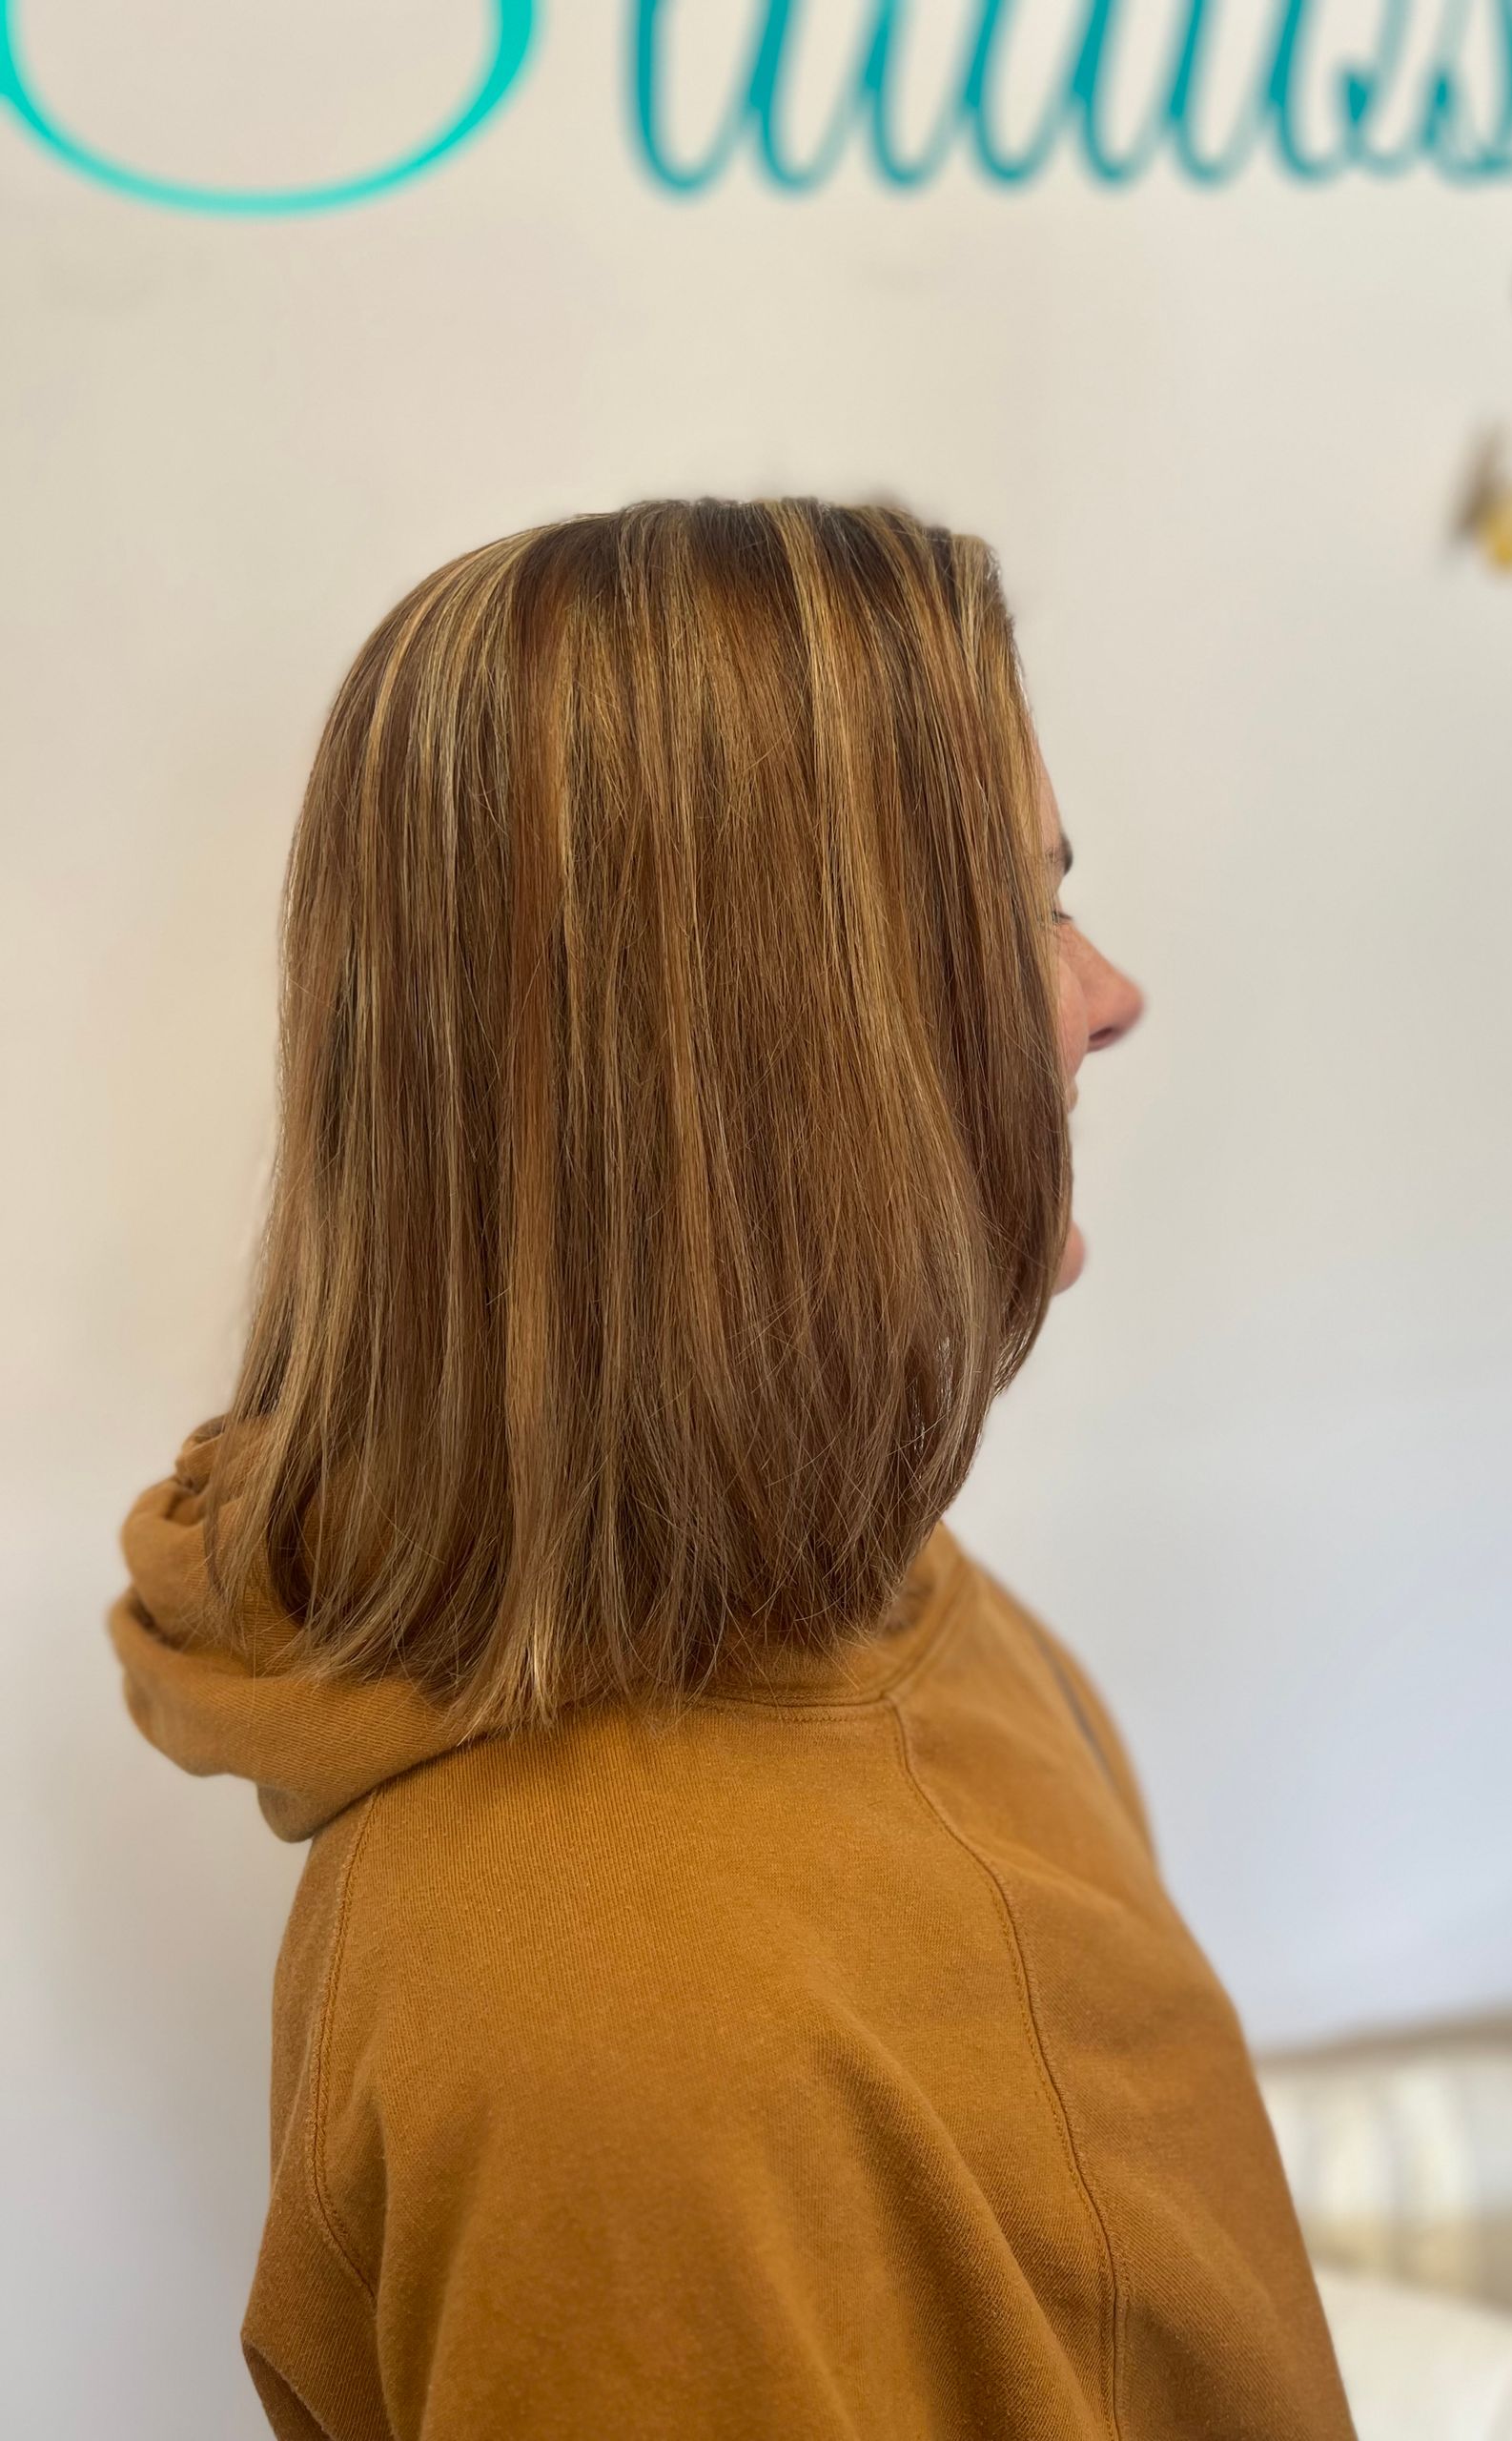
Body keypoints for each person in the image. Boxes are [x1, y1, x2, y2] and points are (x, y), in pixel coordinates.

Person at [109, 500, 1356, 2440]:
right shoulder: (625, 2053)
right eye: (1020, 912)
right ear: (786, 1057)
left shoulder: (898, 1600)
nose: (1106, 991)